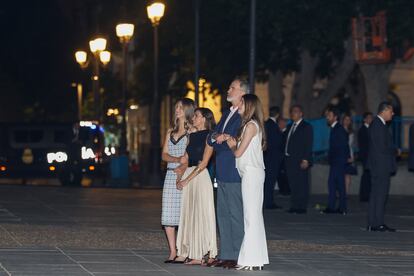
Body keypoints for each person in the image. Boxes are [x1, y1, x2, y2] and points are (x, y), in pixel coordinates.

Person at [206, 77, 246, 269]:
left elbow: (235, 142)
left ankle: (239, 254)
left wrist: (222, 139)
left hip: (233, 171)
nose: (228, 90)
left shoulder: (244, 116)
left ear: (243, 93)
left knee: (235, 214)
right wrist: (217, 137)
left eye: (233, 88)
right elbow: (212, 137)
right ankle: (227, 254)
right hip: (221, 171)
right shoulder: (227, 113)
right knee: (222, 214)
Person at [226, 94, 269, 270]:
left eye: (242, 102)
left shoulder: (251, 125)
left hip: (252, 173)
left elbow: (238, 153)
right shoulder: (251, 125)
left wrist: (232, 145)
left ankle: (248, 259)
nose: (239, 105)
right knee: (254, 216)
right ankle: (256, 258)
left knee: (250, 216)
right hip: (251, 173)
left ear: (250, 105)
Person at [175, 108, 217, 265]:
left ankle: (201, 253)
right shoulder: (191, 136)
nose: (193, 118)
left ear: (205, 119)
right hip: (189, 174)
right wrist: (180, 176)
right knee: (189, 214)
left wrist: (187, 180)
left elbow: (205, 162)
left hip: (200, 176)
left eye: (197, 116)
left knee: (200, 214)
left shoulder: (210, 136)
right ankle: (189, 252)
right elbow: (185, 159)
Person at [161, 98, 195, 263]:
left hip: (185, 175)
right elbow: (164, 155)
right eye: (176, 107)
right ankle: (172, 251)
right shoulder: (170, 132)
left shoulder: (191, 132)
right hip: (170, 175)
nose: (177, 109)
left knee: (184, 213)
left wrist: (183, 165)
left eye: (181, 107)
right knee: (168, 213)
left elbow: (192, 156)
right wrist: (176, 159)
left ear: (188, 110)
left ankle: (184, 249)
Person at [367, 102, 397, 232]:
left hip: (379, 165)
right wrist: (395, 151)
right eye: (391, 111)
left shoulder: (378, 124)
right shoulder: (378, 125)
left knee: (377, 195)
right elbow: (381, 147)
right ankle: (377, 223)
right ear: (384, 111)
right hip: (380, 166)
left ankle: (374, 222)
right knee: (380, 195)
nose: (393, 114)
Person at [285, 105, 313, 214]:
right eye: (292, 112)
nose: (293, 114)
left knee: (302, 183)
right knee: (293, 183)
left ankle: (301, 207)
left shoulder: (306, 126)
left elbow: (308, 143)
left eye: (295, 112)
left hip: (300, 160)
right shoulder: (290, 126)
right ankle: (294, 205)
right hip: (290, 159)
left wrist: (306, 159)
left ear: (301, 113)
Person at [322, 108, 350, 215]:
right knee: (338, 184)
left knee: (334, 184)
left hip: (338, 161)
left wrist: (343, 158)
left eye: (329, 115)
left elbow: (343, 145)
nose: (327, 118)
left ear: (335, 117)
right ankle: (340, 208)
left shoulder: (338, 129)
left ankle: (333, 207)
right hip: (337, 161)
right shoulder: (336, 128)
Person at [263, 106, 284, 209]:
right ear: (277, 114)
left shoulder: (266, 124)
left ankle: (267, 201)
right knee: (270, 181)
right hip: (273, 158)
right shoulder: (274, 126)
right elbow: (277, 142)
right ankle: (269, 203)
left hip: (267, 157)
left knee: (267, 181)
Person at [358, 112, 373, 202]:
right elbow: (363, 145)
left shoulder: (370, 129)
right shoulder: (362, 130)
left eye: (371, 117)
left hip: (370, 156)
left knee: (368, 176)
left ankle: (367, 194)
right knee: (366, 175)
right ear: (364, 119)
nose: (371, 119)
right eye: (369, 118)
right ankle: (364, 195)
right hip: (365, 156)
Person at [342, 114, 357, 194]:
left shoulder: (351, 132)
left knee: (348, 174)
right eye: (346, 119)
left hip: (349, 154)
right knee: (340, 174)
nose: (347, 121)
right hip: (341, 155)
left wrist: (352, 156)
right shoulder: (339, 130)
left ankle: (346, 192)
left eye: (349, 120)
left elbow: (351, 145)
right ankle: (340, 192)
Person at [277, 117, 291, 196]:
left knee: (285, 175)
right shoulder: (278, 132)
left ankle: (286, 191)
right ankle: (282, 190)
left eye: (282, 123)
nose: (280, 125)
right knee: (280, 175)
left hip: (285, 157)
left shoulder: (288, 132)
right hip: (279, 157)